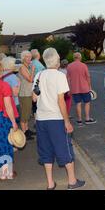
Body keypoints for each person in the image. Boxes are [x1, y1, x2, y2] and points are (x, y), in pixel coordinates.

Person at [33, 48, 85, 190]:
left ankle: (50, 184)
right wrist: (67, 121)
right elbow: (61, 101)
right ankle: (72, 181)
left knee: (46, 151)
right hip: (56, 119)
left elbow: (34, 97)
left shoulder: (39, 75)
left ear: (44, 59)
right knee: (65, 150)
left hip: (41, 119)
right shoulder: (59, 76)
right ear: (57, 60)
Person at [66, 52, 96, 126]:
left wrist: (69, 88)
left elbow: (67, 78)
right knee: (87, 102)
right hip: (85, 87)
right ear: (80, 57)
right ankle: (87, 119)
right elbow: (88, 76)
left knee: (78, 103)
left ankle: (79, 120)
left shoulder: (69, 66)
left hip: (74, 88)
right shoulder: (84, 65)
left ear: (74, 58)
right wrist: (90, 87)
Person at [18, 50, 35, 140]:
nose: (30, 58)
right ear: (23, 58)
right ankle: (24, 132)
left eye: (30, 56)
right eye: (28, 56)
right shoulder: (22, 67)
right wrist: (32, 70)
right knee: (24, 113)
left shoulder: (26, 66)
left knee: (28, 113)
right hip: (24, 94)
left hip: (28, 93)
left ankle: (27, 129)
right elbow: (30, 79)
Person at [1, 56, 21, 125]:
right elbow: (15, 93)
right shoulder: (12, 77)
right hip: (13, 103)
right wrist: (19, 83)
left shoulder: (0, 75)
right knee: (14, 125)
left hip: (2, 103)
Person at [31, 49, 46, 115]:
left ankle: (35, 118)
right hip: (39, 86)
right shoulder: (38, 64)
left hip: (33, 86)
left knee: (34, 104)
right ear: (37, 55)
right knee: (38, 104)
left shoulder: (31, 63)